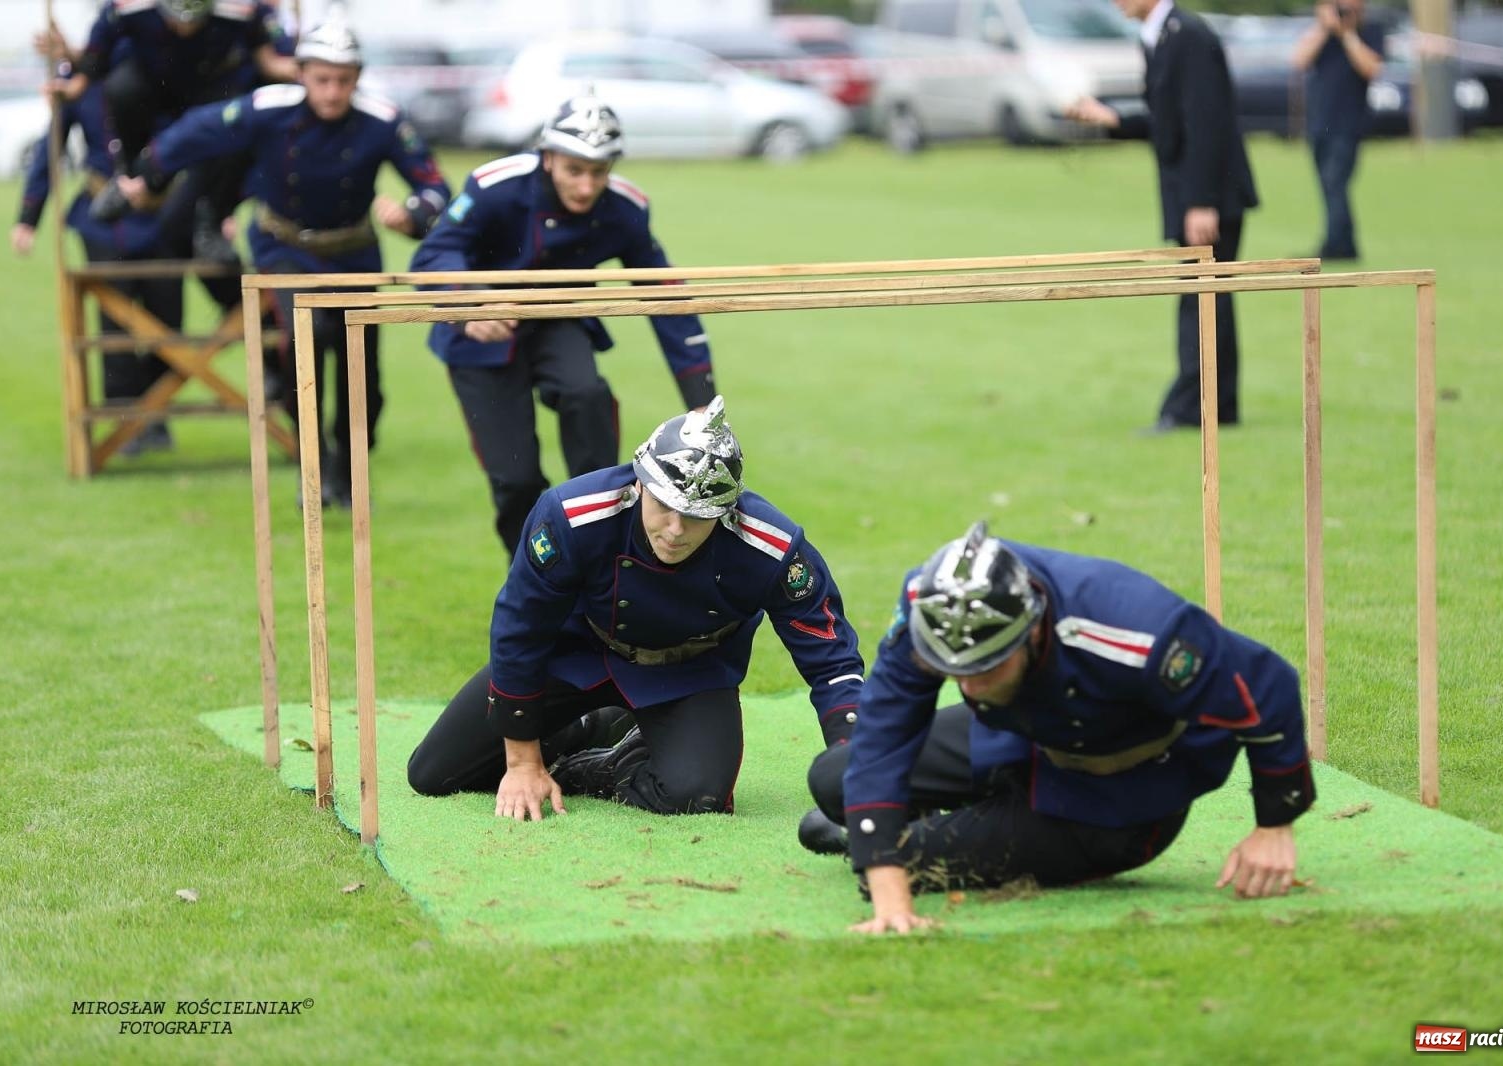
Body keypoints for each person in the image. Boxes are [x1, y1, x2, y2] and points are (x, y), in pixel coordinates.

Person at [823, 521, 1314, 935]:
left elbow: (1265, 686)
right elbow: (885, 730)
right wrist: (882, 862)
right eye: (955, 672)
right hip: (1022, 735)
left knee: (887, 865)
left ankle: (917, 828)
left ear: (1031, 631)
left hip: (1116, 798)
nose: (968, 688)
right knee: (832, 779)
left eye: (987, 668)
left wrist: (1274, 825)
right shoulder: (933, 608)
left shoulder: (1139, 632)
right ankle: (926, 818)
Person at [407, 397, 864, 820]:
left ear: (727, 508)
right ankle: (586, 727)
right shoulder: (570, 515)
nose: (675, 529)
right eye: (664, 504)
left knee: (696, 796)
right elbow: (519, 628)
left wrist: (855, 763)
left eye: (698, 514)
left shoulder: (775, 548)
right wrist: (524, 760)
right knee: (433, 775)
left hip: (688, 674)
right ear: (640, 480)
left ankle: (600, 765)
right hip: (575, 655)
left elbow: (833, 662)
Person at [111, 8, 451, 506]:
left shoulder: (382, 120)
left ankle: (351, 456)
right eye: (322, 79)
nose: (333, 92)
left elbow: (436, 186)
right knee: (307, 342)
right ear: (301, 73)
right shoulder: (268, 108)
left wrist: (415, 214)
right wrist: (147, 171)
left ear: (358, 78)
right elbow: (198, 131)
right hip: (284, 247)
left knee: (365, 376)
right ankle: (312, 459)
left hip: (353, 252)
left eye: (344, 80)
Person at [410, 94, 717, 559]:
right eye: (575, 170)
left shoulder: (625, 207)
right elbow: (432, 255)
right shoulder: (496, 185)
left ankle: (597, 540)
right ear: (547, 156)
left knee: (587, 396)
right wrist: (469, 304)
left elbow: (666, 295)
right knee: (515, 480)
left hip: (560, 323)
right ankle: (532, 575)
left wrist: (700, 403)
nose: (587, 185)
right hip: (478, 334)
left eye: (600, 171)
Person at [12, 75, 236, 457]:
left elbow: (206, 146)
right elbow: (50, 151)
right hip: (104, 220)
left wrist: (218, 209)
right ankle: (124, 417)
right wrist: (28, 217)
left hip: (164, 217)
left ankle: (156, 414)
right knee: (114, 324)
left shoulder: (169, 76)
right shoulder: (81, 88)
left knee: (166, 318)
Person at [1066, 0, 1258, 433]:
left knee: (1201, 299)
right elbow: (1169, 122)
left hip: (1208, 196)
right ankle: (1219, 405)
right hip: (1192, 192)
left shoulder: (1187, 35)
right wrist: (1113, 118)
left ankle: (1192, 408)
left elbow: (1206, 122)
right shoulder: (1160, 36)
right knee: (1209, 297)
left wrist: (1202, 201)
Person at [50, 0, 298, 261]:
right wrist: (72, 86)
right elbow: (95, 61)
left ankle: (212, 219)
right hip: (153, 90)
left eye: (195, 21)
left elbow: (267, 60)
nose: (184, 29)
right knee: (121, 88)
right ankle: (130, 177)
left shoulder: (242, 8)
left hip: (212, 90)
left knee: (239, 121)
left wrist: (306, 70)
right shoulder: (127, 6)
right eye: (175, 19)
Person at [1291, 0, 1384, 262]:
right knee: (1328, 186)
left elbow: (1371, 68)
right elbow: (1299, 60)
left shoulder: (1370, 30)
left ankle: (1338, 246)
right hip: (1319, 123)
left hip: (1348, 125)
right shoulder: (1323, 34)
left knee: (1335, 182)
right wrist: (1324, 28)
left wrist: (1347, 35)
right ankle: (1341, 242)